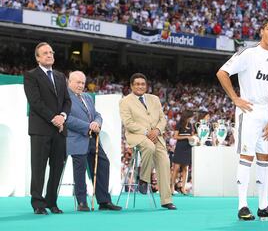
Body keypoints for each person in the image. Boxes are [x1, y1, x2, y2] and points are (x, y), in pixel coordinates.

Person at [216, 17, 268, 221]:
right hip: (249, 110)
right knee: (247, 157)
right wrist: (235, 98)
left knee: (265, 158)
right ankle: (242, 205)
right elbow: (222, 73)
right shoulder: (249, 53)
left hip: (267, 113)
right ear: (262, 31)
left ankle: (263, 205)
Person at [23, 42, 72, 215]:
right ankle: (38, 203)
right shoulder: (31, 76)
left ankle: (52, 201)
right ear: (37, 58)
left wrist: (63, 117)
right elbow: (35, 102)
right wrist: (54, 118)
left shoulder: (60, 76)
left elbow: (67, 101)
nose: (49, 55)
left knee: (57, 167)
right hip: (41, 129)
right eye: (45, 53)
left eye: (51, 52)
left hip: (59, 130)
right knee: (38, 167)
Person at [119, 73, 176, 210]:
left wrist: (156, 130)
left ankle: (166, 200)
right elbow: (128, 123)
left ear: (146, 86)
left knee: (165, 162)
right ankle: (144, 179)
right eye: (137, 84)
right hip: (137, 135)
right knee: (149, 146)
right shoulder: (125, 101)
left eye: (143, 84)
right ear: (132, 86)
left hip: (156, 136)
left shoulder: (154, 99)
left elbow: (162, 119)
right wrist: (146, 132)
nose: (140, 86)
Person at [66, 71, 121, 212]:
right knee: (80, 170)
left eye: (82, 83)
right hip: (77, 139)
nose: (80, 85)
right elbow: (68, 119)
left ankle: (104, 201)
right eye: (77, 82)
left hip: (93, 139)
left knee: (103, 163)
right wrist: (88, 126)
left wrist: (97, 122)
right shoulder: (65, 98)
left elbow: (97, 114)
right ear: (69, 82)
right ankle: (82, 202)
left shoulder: (88, 97)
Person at [171, 110, 195, 195]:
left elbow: (192, 135)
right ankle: (172, 187)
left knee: (186, 168)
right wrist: (186, 137)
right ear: (187, 116)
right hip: (180, 147)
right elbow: (175, 136)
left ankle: (183, 188)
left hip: (188, 147)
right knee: (176, 168)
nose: (191, 118)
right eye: (190, 117)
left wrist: (193, 137)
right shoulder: (179, 124)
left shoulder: (190, 125)